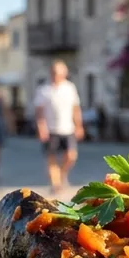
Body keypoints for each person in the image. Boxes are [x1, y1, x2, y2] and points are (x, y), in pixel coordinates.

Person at [33, 60, 84, 194]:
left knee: (71, 156)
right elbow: (39, 112)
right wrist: (41, 127)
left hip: (67, 128)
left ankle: (62, 174)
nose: (57, 75)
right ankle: (55, 184)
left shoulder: (70, 88)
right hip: (51, 129)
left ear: (65, 73)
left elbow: (75, 108)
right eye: (55, 72)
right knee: (51, 157)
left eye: (60, 72)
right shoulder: (44, 90)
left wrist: (79, 125)